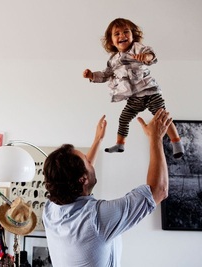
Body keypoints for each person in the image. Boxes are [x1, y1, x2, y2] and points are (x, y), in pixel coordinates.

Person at [42, 109, 171, 267]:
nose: (90, 162)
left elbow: (77, 177)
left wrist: (97, 140)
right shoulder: (97, 218)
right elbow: (159, 190)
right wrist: (155, 138)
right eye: (87, 161)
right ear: (82, 179)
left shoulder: (50, 210)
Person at [83, 18, 183, 159]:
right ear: (111, 41)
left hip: (150, 92)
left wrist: (145, 57)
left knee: (162, 116)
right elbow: (105, 75)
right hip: (133, 97)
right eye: (117, 34)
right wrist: (92, 75)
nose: (122, 36)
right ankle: (120, 144)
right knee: (124, 118)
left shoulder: (137, 48)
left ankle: (177, 143)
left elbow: (151, 56)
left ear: (132, 35)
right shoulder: (113, 60)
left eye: (126, 32)